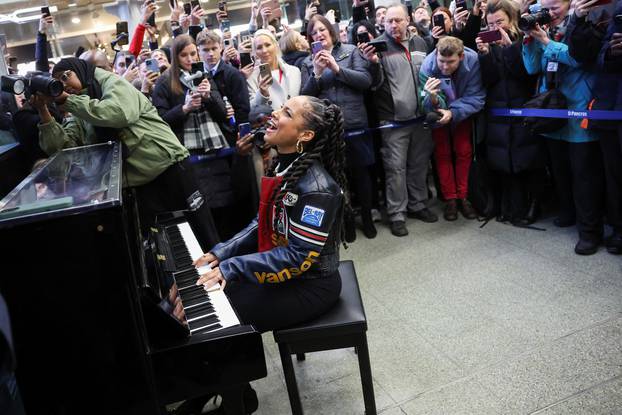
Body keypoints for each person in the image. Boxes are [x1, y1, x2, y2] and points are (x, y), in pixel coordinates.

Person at [194, 96, 346, 333]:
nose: (274, 113)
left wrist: (231, 267)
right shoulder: (284, 165)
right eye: (280, 107)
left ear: (305, 136)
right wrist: (222, 252)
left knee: (217, 318)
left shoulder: (319, 190)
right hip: (286, 274)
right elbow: (262, 222)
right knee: (214, 292)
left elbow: (298, 255)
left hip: (311, 285)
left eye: (287, 113)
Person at [31, 57, 219, 246]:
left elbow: (118, 114)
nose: (64, 85)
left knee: (202, 234)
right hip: (139, 184)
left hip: (169, 169)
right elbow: (63, 149)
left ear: (80, 70)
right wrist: (43, 111)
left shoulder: (112, 83)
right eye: (58, 82)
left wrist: (69, 100)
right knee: (169, 248)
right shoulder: (80, 104)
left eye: (65, 77)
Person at [522, 0, 604, 255]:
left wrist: (547, 42)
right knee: (560, 170)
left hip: (578, 108)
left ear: (569, 3)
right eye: (544, 6)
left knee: (583, 175)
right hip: (551, 110)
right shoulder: (542, 24)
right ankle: (567, 212)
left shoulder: (585, 21)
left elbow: (579, 58)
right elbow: (532, 67)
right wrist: (530, 39)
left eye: (554, 6)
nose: (549, 12)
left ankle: (589, 231)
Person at [360, 3, 436, 237]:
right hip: (393, 121)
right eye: (389, 21)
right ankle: (397, 214)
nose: (394, 24)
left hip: (421, 118)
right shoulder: (378, 48)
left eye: (398, 20)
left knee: (419, 164)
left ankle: (418, 204)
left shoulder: (421, 43)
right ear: (382, 23)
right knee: (395, 170)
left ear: (408, 20)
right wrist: (371, 64)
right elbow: (371, 85)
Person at [301, 15, 376, 239]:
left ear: (331, 31)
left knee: (362, 174)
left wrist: (336, 69)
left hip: (355, 123)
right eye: (314, 32)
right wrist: (315, 73)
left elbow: (365, 81)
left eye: (322, 30)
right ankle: (347, 221)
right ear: (310, 38)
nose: (319, 35)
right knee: (337, 178)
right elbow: (304, 98)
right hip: (328, 129)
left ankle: (368, 219)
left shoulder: (351, 51)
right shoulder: (307, 62)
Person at [475, 0, 543, 224]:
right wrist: (485, 56)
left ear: (511, 20)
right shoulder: (489, 45)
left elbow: (526, 74)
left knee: (528, 157)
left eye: (500, 21)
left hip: (523, 106)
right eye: (491, 23)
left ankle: (533, 205)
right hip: (499, 110)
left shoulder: (525, 38)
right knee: (504, 158)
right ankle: (510, 206)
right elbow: (490, 80)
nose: (496, 27)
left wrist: (509, 48)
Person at [420, 36, 486, 221]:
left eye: (451, 62)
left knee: (463, 151)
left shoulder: (473, 61)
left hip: (462, 111)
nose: (445, 67)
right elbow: (424, 103)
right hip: (438, 113)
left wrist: (453, 113)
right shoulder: (427, 65)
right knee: (442, 153)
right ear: (436, 55)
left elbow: (477, 97)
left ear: (461, 56)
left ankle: (463, 197)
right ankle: (450, 199)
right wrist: (432, 99)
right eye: (442, 61)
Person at [247, 29, 301, 113]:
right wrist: (261, 94)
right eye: (259, 47)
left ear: (275, 45)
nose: (264, 50)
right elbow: (251, 111)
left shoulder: (294, 71)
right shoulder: (252, 77)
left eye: (268, 45)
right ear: (255, 52)